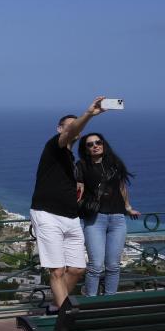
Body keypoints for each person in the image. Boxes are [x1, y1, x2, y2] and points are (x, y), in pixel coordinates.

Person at [29, 97, 106, 311]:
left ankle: (56, 308)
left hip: (71, 217)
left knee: (77, 269)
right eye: (69, 125)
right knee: (57, 271)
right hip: (47, 214)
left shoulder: (71, 160)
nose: (73, 128)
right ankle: (65, 319)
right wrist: (89, 114)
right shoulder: (54, 146)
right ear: (60, 129)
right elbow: (68, 134)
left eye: (75, 125)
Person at [76, 132, 140, 296]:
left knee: (113, 266)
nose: (95, 146)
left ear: (104, 144)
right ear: (86, 148)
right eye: (90, 144)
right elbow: (78, 190)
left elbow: (122, 187)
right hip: (95, 220)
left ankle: (109, 301)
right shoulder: (82, 165)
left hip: (117, 219)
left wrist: (128, 206)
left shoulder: (114, 163)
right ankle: (91, 302)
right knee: (96, 265)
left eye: (98, 142)